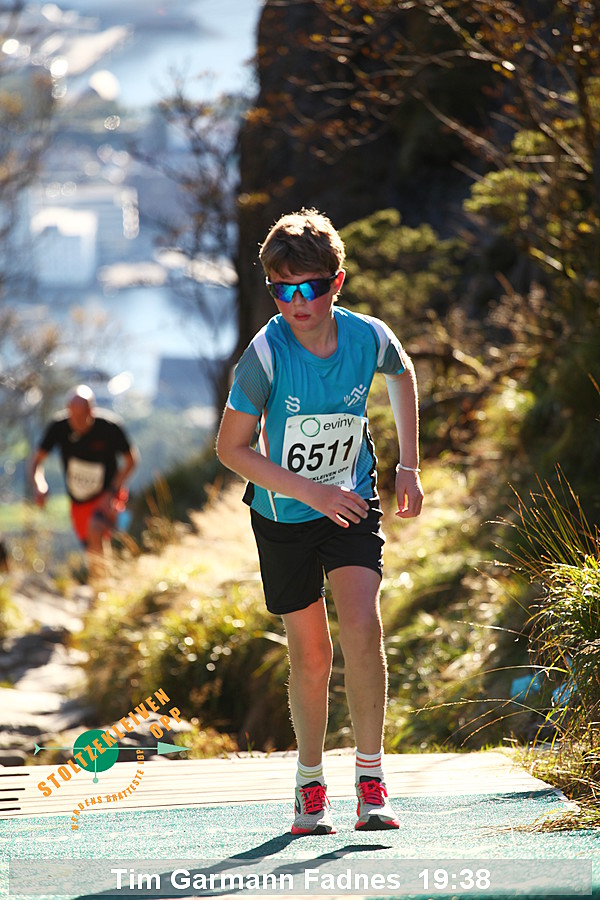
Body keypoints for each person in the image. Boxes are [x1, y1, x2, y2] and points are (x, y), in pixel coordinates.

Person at [216, 208, 423, 834]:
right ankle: (310, 784)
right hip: (283, 517)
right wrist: (312, 492)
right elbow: (231, 449)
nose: (297, 302)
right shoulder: (265, 356)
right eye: (282, 290)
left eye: (309, 287)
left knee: (362, 626)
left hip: (351, 503)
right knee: (311, 654)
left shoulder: (367, 337)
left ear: (337, 282)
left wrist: (407, 465)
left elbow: (403, 373)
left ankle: (371, 781)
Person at [29, 385, 138, 578]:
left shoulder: (109, 428)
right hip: (79, 502)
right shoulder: (59, 428)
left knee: (96, 530)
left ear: (91, 411)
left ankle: (102, 586)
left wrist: (111, 491)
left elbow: (131, 461)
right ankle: (105, 581)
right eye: (72, 416)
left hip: (108, 495)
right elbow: (36, 462)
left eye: (81, 417)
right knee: (90, 546)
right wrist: (40, 485)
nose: (76, 423)